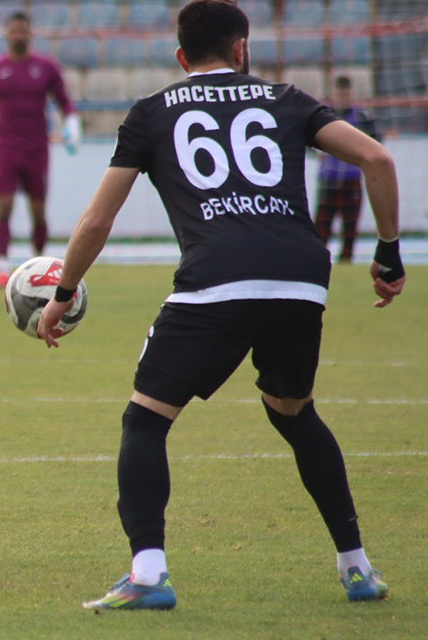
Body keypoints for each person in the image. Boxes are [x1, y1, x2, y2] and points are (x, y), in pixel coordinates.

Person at [35, 0, 405, 610]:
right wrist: (388, 254)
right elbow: (377, 157)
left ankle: (148, 576)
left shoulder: (151, 112)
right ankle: (357, 567)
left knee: (145, 421)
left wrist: (64, 292)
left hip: (216, 279)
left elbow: (97, 219)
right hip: (300, 280)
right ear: (242, 49)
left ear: (181, 57)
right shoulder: (286, 99)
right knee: (294, 414)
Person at [0, 11, 80, 289]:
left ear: (30, 34)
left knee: (38, 211)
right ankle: (2, 268)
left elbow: (64, 101)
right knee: (4, 207)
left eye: (23, 31)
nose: (18, 36)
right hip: (6, 148)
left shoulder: (46, 67)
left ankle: (38, 265)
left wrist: (72, 125)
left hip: (36, 148)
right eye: (14, 30)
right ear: (6, 34)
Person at [315, 75, 380, 263]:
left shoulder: (362, 116)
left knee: (350, 226)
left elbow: (376, 142)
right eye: (339, 93)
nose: (342, 97)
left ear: (350, 94)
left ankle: (346, 261)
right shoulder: (322, 113)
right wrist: (316, 151)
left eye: (345, 94)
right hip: (328, 178)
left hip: (351, 178)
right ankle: (318, 260)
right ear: (333, 93)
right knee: (322, 225)